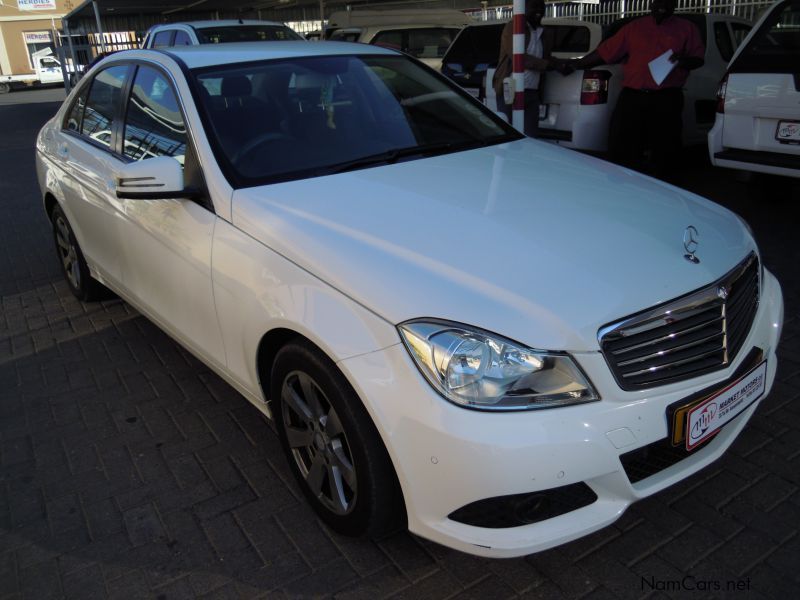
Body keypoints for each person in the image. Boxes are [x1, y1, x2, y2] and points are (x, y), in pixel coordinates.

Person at [570, 0, 704, 177]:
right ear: (651, 4)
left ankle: (665, 189)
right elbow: (605, 52)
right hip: (634, 97)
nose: (661, 6)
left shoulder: (687, 29)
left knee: (666, 148)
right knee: (622, 145)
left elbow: (698, 59)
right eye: (657, 2)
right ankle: (625, 187)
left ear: (674, 4)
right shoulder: (634, 27)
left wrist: (683, 60)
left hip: (666, 98)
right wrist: (575, 64)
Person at [492, 0, 565, 137]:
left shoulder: (544, 33)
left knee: (530, 137)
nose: (539, 10)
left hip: (532, 92)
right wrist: (548, 65)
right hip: (511, 89)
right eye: (534, 6)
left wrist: (563, 65)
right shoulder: (513, 28)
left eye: (542, 7)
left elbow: (546, 57)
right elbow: (519, 58)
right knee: (509, 136)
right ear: (523, 8)